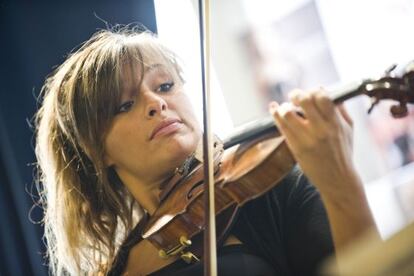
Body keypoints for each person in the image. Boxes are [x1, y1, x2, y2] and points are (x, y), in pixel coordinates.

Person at [34, 26, 378, 275]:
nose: (156, 103)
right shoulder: (116, 270)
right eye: (124, 105)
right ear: (98, 151)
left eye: (165, 85)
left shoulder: (270, 190)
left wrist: (341, 184)